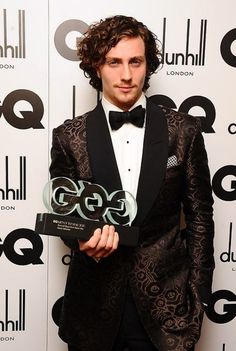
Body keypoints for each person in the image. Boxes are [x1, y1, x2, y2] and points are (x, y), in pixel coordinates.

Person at [49, 15, 214, 351]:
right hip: (93, 309)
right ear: (97, 66)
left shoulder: (183, 131)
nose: (126, 75)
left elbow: (200, 218)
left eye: (135, 61)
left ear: (147, 65)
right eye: (114, 62)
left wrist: (198, 299)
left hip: (167, 312)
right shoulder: (68, 137)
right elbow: (65, 211)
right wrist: (81, 240)